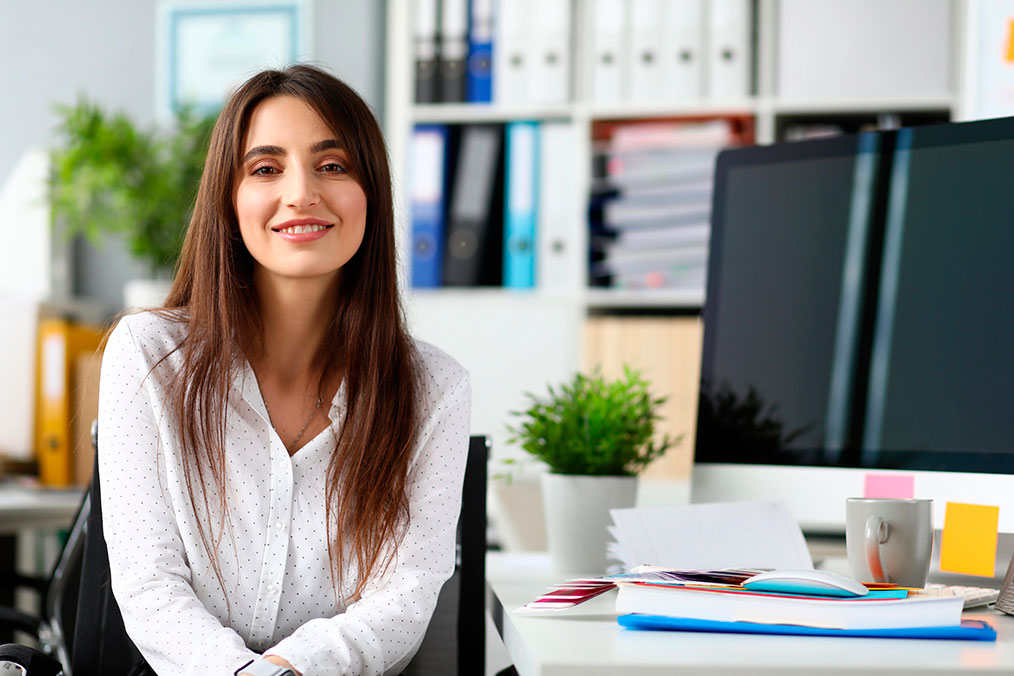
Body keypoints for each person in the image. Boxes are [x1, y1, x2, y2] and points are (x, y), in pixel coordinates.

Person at [97, 64, 471, 676]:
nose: (301, 193)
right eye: (266, 169)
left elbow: (403, 599)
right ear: (229, 198)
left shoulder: (434, 388)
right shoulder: (148, 354)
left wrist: (292, 669)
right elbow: (149, 582)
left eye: (333, 165)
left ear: (372, 193)